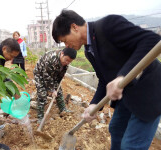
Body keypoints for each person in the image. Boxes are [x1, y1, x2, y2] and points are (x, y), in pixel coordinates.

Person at [52, 10, 161, 150]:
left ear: (74, 27)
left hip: (149, 92)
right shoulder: (89, 50)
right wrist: (94, 105)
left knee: (131, 145)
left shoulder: (108, 25)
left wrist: (122, 75)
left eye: (65, 40)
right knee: (116, 129)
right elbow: (103, 80)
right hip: (127, 95)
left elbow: (151, 41)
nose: (66, 46)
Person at [33, 48, 77, 123]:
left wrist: (61, 76)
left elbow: (62, 71)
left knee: (59, 92)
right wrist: (52, 90)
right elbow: (46, 76)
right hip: (40, 73)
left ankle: (63, 109)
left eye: (69, 62)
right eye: (66, 60)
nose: (67, 62)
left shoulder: (65, 61)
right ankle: (40, 117)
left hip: (53, 74)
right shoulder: (50, 59)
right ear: (62, 54)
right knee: (42, 94)